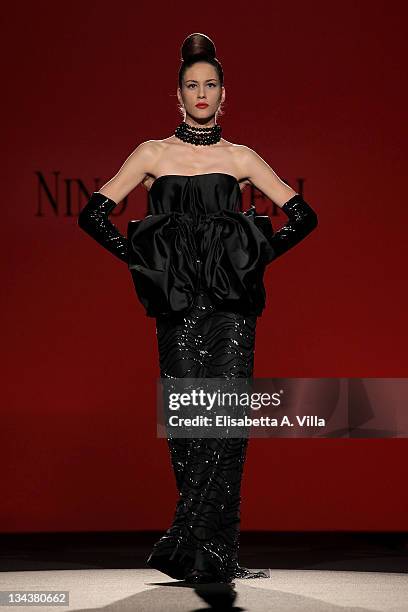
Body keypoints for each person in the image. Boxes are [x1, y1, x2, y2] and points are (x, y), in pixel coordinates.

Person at [77, 32, 318, 584]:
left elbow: (303, 216)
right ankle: (205, 548)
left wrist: (252, 259)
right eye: (192, 85)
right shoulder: (152, 153)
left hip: (231, 309)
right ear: (178, 94)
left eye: (211, 85)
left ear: (223, 95)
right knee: (189, 424)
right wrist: (145, 263)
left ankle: (197, 543)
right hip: (178, 306)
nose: (201, 93)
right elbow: (93, 215)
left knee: (226, 424)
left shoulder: (241, 158)